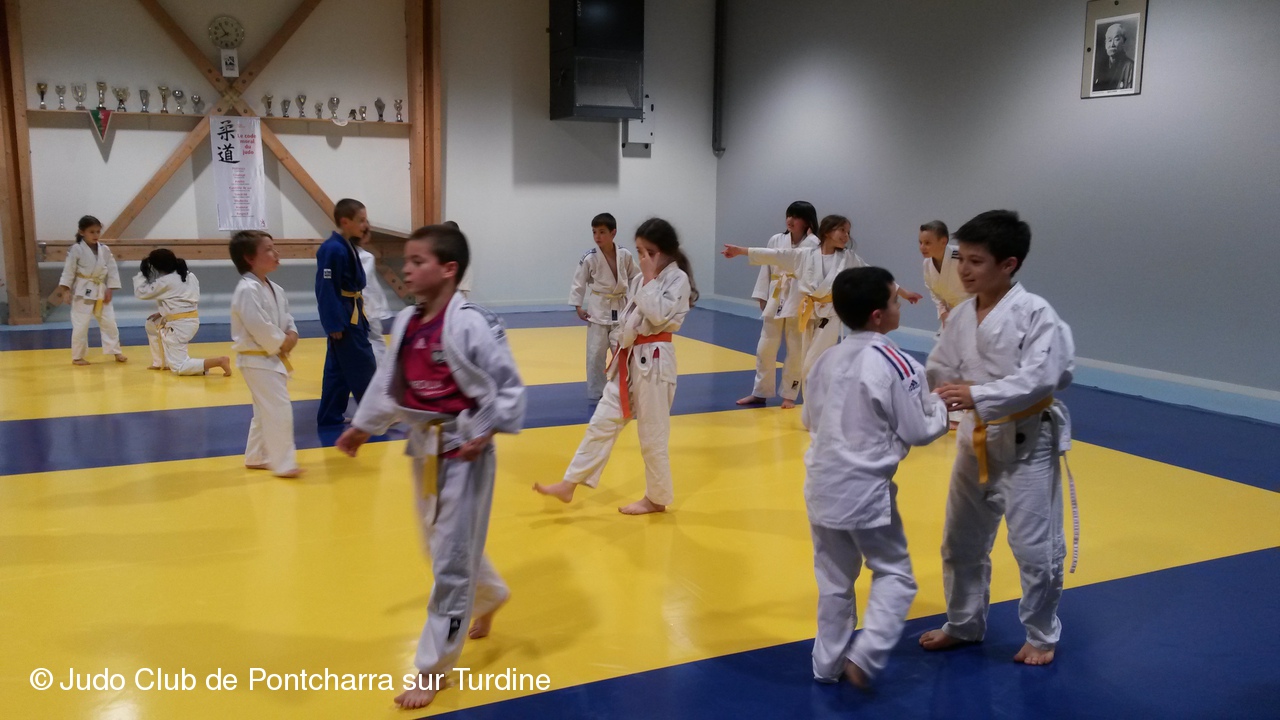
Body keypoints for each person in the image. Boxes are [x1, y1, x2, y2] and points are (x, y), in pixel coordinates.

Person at [335, 224, 526, 710]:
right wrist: (364, 426)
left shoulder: (472, 324)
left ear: (448, 270)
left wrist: (485, 430)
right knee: (438, 545)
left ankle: (432, 667)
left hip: (465, 451)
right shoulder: (406, 322)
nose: (407, 269)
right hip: (424, 448)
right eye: (407, 260)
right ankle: (490, 595)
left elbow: (507, 387)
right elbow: (388, 382)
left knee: (451, 561)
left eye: (418, 261)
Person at [918, 210, 1075, 666]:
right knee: (960, 540)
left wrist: (978, 394)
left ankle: (1041, 635)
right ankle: (964, 623)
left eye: (976, 261)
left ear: (1009, 264)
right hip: (974, 438)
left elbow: (1044, 377)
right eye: (961, 259)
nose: (964, 271)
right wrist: (909, 404)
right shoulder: (962, 315)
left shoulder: (1036, 313)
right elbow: (939, 370)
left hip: (1027, 442)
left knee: (1034, 548)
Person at [804, 266, 948, 689]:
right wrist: (940, 406)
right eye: (895, 300)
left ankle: (825, 665)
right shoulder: (897, 362)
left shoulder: (826, 358)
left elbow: (810, 419)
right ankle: (865, 656)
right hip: (864, 487)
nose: (900, 305)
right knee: (895, 575)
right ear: (878, 315)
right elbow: (918, 431)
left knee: (834, 580)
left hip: (821, 483)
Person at [533, 218, 696, 515]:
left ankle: (656, 498)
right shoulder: (640, 280)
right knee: (602, 422)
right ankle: (570, 483)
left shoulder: (677, 279)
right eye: (640, 251)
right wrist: (621, 341)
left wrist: (649, 279)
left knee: (652, 436)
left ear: (666, 251)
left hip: (656, 363)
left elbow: (658, 316)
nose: (643, 258)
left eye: (649, 252)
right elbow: (628, 318)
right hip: (629, 360)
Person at [725, 215, 923, 401]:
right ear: (827, 232)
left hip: (830, 314)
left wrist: (904, 293)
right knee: (804, 363)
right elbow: (775, 255)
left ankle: (818, 405)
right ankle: (813, 406)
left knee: (813, 362)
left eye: (848, 232)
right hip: (807, 312)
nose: (846, 236)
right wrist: (741, 251)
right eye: (842, 230)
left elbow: (873, 275)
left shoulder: (848, 258)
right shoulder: (805, 255)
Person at [230, 231, 302, 479]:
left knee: (264, 410)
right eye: (269, 249)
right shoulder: (246, 289)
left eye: (274, 247)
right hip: (256, 358)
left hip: (271, 356)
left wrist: (292, 335)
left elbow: (287, 318)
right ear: (249, 258)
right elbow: (258, 326)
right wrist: (282, 342)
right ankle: (284, 463)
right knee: (278, 409)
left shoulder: (275, 289)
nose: (276, 253)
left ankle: (257, 456)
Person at [735, 201, 819, 409]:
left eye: (796, 217)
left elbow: (811, 270)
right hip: (776, 294)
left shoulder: (814, 244)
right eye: (789, 215)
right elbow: (766, 266)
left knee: (796, 348)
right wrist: (762, 295)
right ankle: (760, 392)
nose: (790, 220)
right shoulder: (776, 239)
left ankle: (790, 394)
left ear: (807, 221)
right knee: (765, 347)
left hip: (799, 298)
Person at [315, 198, 376, 426]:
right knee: (363, 363)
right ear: (345, 221)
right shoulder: (332, 248)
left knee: (338, 369)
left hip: (351, 310)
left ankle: (330, 415)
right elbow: (325, 288)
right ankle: (374, 414)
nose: (365, 225)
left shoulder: (345, 245)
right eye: (361, 220)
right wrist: (333, 323)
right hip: (344, 315)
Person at [569, 212, 640, 402]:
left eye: (602, 232)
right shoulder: (589, 258)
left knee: (622, 351)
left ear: (613, 233)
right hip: (597, 310)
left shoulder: (625, 255)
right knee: (595, 355)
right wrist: (578, 305)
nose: (597, 236)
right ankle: (597, 393)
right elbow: (578, 282)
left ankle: (624, 389)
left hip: (621, 308)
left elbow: (636, 277)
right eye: (594, 232)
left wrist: (635, 301)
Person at [132, 248, 231, 376]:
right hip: (189, 320)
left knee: (179, 367)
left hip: (179, 326)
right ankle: (161, 362)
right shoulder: (190, 275)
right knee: (152, 324)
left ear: (158, 267)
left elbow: (141, 293)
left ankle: (219, 361)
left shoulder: (166, 281)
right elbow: (182, 299)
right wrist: (164, 313)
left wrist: (142, 272)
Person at [918, 220, 971, 429]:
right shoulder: (927, 264)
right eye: (920, 242)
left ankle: (968, 410)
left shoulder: (961, 256)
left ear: (944, 241)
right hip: (950, 315)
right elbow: (933, 291)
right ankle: (950, 410)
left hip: (972, 312)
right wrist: (943, 312)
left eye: (927, 243)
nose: (923, 247)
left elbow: (980, 284)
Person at [55, 215, 126, 365]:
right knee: (81, 324)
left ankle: (116, 351)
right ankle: (77, 356)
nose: (95, 235)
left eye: (98, 231)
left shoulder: (104, 249)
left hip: (100, 289)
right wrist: (66, 290)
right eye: (91, 232)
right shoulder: (76, 249)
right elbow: (68, 271)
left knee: (109, 322)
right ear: (82, 232)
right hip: (82, 290)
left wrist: (110, 289)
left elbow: (112, 270)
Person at [353, 229, 394, 369]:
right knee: (376, 339)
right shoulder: (366, 257)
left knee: (365, 340)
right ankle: (383, 370)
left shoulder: (347, 254)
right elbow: (365, 284)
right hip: (365, 305)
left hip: (359, 305)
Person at [1093, 22, 1135, 92]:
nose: (1112, 44)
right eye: (1109, 40)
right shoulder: (1100, 67)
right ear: (1105, 44)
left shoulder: (1130, 66)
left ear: (1123, 42)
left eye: (1116, 39)